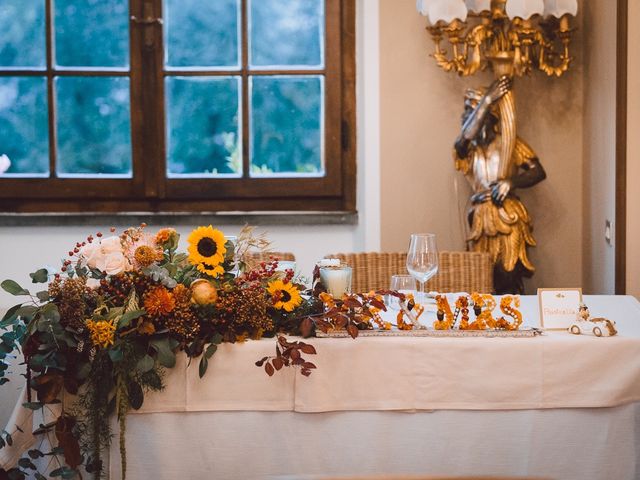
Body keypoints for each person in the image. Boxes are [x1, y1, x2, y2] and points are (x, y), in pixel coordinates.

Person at [454, 76, 546, 294]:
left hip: (507, 215)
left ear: (489, 116)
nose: (465, 117)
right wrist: (488, 100)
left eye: (472, 111)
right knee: (481, 278)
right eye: (467, 111)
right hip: (480, 217)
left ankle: (514, 320)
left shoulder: (509, 144)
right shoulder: (468, 149)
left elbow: (538, 171)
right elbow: (463, 139)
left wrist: (510, 182)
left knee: (508, 275)